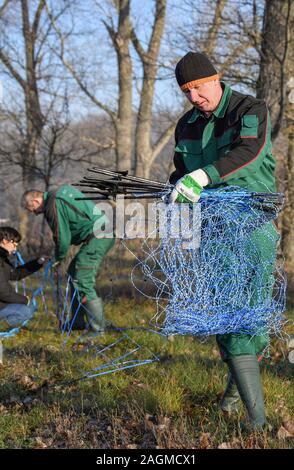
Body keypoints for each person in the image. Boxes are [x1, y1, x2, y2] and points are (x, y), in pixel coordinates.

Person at [168, 51, 280, 429]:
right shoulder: (186, 125)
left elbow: (248, 151)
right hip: (213, 231)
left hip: (254, 223)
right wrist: (177, 189)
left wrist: (203, 176)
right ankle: (257, 419)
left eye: (198, 88)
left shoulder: (249, 109)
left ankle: (234, 397)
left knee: (257, 320)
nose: (194, 97)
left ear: (215, 78)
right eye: (187, 92)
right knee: (226, 313)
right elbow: (181, 172)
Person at [22, 185, 115, 335]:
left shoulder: (52, 204)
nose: (33, 213)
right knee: (73, 272)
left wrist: (57, 258)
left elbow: (62, 238)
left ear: (36, 200)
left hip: (98, 236)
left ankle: (97, 329)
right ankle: (77, 322)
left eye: (30, 208)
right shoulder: (61, 192)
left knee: (83, 280)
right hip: (102, 233)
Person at [0, 226, 47, 330]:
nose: (15, 249)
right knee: (26, 311)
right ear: (4, 241)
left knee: (27, 309)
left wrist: (37, 263)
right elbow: (2, 292)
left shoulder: (3, 258)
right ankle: (3, 330)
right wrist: (24, 300)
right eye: (14, 245)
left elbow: (14, 274)